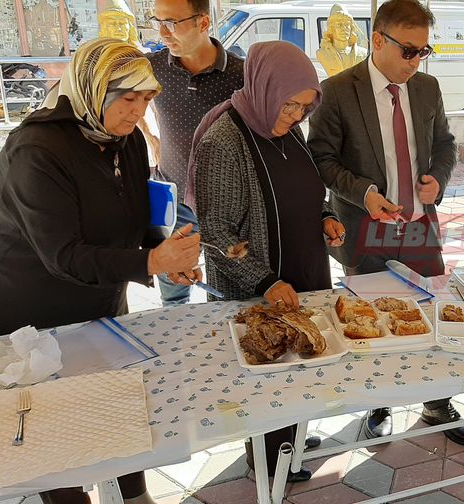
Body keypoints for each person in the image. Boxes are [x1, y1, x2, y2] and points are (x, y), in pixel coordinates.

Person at [0, 38, 200, 504]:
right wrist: (151, 262)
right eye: (128, 99)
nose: (138, 113)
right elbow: (62, 255)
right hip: (32, 307)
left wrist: (161, 248)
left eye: (146, 99)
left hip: (100, 295)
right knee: (53, 422)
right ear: (92, 90)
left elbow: (129, 218)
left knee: (117, 400)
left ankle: (133, 493)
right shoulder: (35, 151)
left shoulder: (120, 139)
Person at [308, 0, 464, 446]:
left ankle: (437, 402)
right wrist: (365, 193)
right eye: (409, 51)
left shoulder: (427, 88)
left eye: (424, 51)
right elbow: (320, 159)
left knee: (432, 316)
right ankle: (377, 403)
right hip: (364, 228)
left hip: (421, 227)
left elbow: (445, 145)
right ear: (378, 40)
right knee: (371, 322)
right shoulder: (338, 91)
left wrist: (437, 181)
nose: (416, 61)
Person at [191, 41, 341, 482]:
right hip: (263, 284)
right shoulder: (225, 140)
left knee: (302, 366)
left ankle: (289, 439)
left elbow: (308, 189)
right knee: (271, 372)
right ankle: (270, 466)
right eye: (289, 104)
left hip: (304, 267)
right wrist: (264, 280)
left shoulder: (289, 128)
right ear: (264, 88)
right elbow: (217, 232)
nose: (296, 116)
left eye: (303, 107)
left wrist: (326, 216)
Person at [144, 0, 244, 305]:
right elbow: (129, 100)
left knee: (230, 294)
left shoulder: (242, 73)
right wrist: (151, 138)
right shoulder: (152, 67)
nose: (162, 32)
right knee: (174, 293)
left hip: (227, 203)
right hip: (174, 197)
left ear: (203, 23)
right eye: (157, 21)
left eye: (172, 23)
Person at [316, 3, 367, 77]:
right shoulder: (322, 53)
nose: (344, 28)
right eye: (339, 24)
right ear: (331, 29)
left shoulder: (362, 53)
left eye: (347, 24)